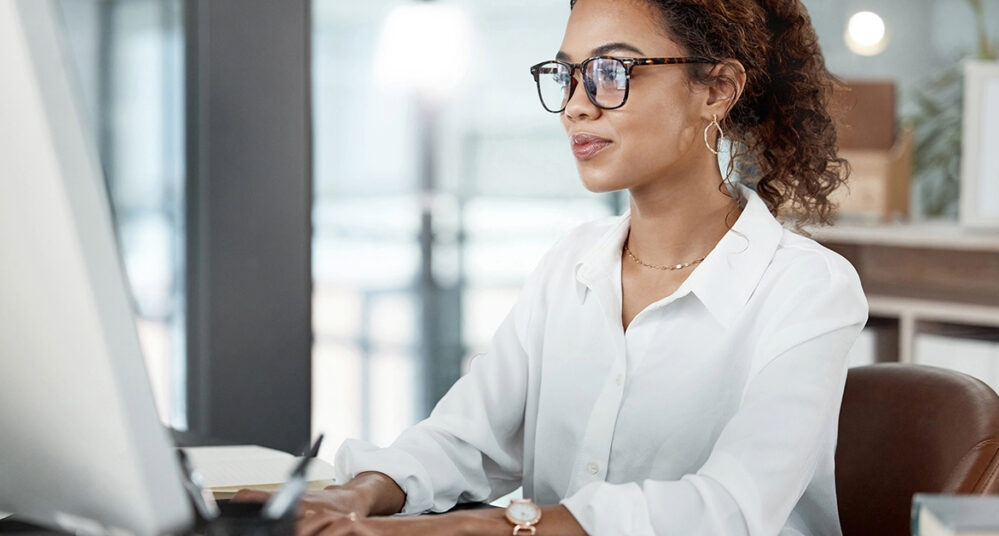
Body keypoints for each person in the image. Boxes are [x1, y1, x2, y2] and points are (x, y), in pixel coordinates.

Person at [236, 0, 868, 534]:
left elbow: (731, 506)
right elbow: (465, 438)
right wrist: (357, 495)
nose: (575, 107)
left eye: (610, 72)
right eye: (566, 76)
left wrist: (494, 524)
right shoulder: (571, 264)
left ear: (717, 90)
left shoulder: (808, 288)